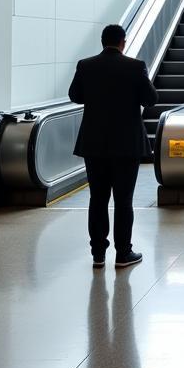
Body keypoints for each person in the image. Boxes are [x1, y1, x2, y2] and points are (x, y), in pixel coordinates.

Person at [68, 23, 157, 268]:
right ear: (123, 42)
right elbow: (151, 99)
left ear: (102, 41)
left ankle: (98, 253)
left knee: (97, 198)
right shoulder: (135, 67)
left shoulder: (85, 66)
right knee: (123, 200)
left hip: (94, 143)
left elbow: (74, 95)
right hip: (127, 145)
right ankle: (123, 253)